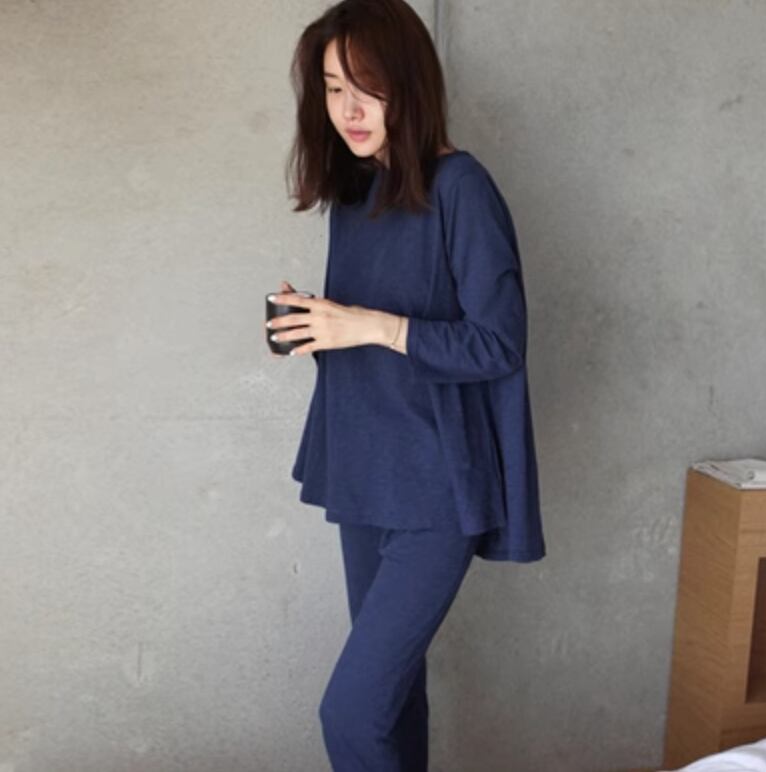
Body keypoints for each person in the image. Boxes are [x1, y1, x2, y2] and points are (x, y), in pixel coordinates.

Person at [267, 0, 547, 768]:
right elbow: (371, 340)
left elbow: (498, 343)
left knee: (351, 713)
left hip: (436, 486)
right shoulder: (354, 196)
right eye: (333, 88)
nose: (348, 109)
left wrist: (366, 324)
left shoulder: (463, 187)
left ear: (410, 84)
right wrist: (317, 326)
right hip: (364, 472)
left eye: (368, 86)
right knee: (392, 701)